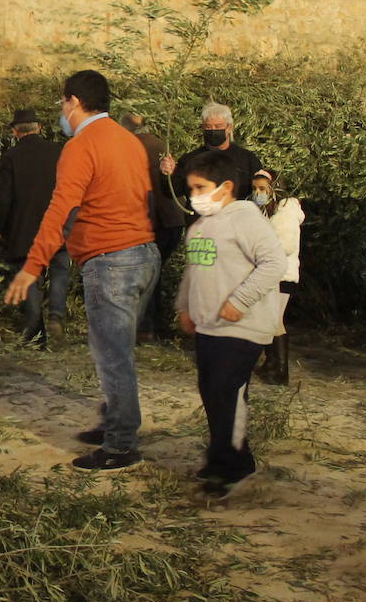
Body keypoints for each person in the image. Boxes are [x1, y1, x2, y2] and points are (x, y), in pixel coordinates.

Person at [5, 70, 158, 472]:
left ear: (73, 102)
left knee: (113, 356)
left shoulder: (80, 146)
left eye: (62, 103)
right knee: (116, 351)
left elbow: (60, 210)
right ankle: (115, 422)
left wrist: (31, 267)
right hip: (144, 255)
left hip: (112, 262)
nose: (61, 111)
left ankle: (121, 445)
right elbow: (142, 196)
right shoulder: (129, 142)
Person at [175, 151, 286, 497]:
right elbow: (192, 272)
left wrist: (239, 301)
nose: (194, 195)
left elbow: (273, 263)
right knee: (212, 390)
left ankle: (230, 464)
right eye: (191, 189)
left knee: (228, 389)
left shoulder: (246, 220)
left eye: (201, 187)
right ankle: (231, 456)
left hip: (244, 326)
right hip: (209, 326)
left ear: (225, 187)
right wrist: (184, 307)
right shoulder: (199, 227)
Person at [0, 108, 69, 348]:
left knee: (30, 275)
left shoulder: (11, 157)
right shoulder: (58, 151)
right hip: (58, 224)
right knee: (59, 269)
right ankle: (56, 314)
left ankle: (36, 334)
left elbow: (4, 198)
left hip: (25, 228)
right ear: (39, 128)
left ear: (15, 132)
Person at [121, 113, 187, 341]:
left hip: (152, 222)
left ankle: (146, 327)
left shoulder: (130, 148)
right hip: (173, 220)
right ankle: (156, 324)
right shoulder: (160, 144)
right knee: (155, 274)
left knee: (146, 275)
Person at [250, 168, 304, 385]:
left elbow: (285, 244)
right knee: (268, 320)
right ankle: (272, 364)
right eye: (255, 188)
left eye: (262, 188)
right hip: (268, 272)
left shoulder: (286, 209)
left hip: (282, 274)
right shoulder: (263, 210)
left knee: (274, 321)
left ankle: (280, 370)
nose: (258, 192)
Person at [163, 103, 262, 208]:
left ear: (229, 128)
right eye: (208, 127)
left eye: (218, 126)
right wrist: (167, 174)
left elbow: (260, 192)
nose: (213, 131)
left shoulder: (247, 159)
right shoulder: (190, 160)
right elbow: (172, 192)